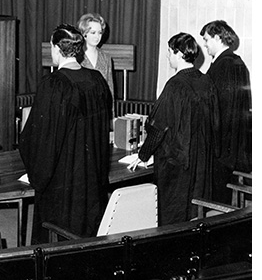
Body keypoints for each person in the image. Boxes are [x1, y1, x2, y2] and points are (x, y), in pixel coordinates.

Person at [19, 24, 112, 243]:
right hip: (91, 182)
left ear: (56, 48)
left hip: (62, 186)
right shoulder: (97, 80)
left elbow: (40, 138)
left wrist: (35, 174)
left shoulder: (54, 84)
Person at [130, 33, 219, 225]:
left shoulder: (175, 85)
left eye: (169, 52)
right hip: (201, 160)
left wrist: (142, 155)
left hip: (177, 163)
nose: (168, 56)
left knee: (172, 214)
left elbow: (158, 127)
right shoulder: (206, 81)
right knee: (194, 213)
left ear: (178, 54)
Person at [200, 20, 252, 204]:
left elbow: (219, 108)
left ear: (217, 37)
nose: (204, 44)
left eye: (206, 39)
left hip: (221, 146)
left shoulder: (223, 66)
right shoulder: (238, 63)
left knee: (217, 199)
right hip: (236, 144)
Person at [76, 13, 114, 99]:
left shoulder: (106, 58)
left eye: (100, 33)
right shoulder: (75, 57)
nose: (97, 36)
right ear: (84, 33)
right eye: (93, 33)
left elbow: (110, 92)